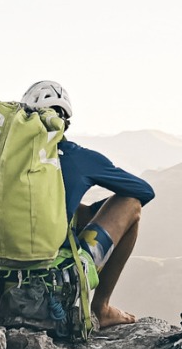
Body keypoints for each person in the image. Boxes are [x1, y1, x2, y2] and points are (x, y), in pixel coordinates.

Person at [23, 80, 154, 329]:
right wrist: (99, 211)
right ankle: (101, 308)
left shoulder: (9, 162)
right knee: (130, 206)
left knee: (77, 211)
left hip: (1, 281)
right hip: (56, 279)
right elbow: (143, 192)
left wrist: (78, 211)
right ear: (64, 122)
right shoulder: (75, 156)